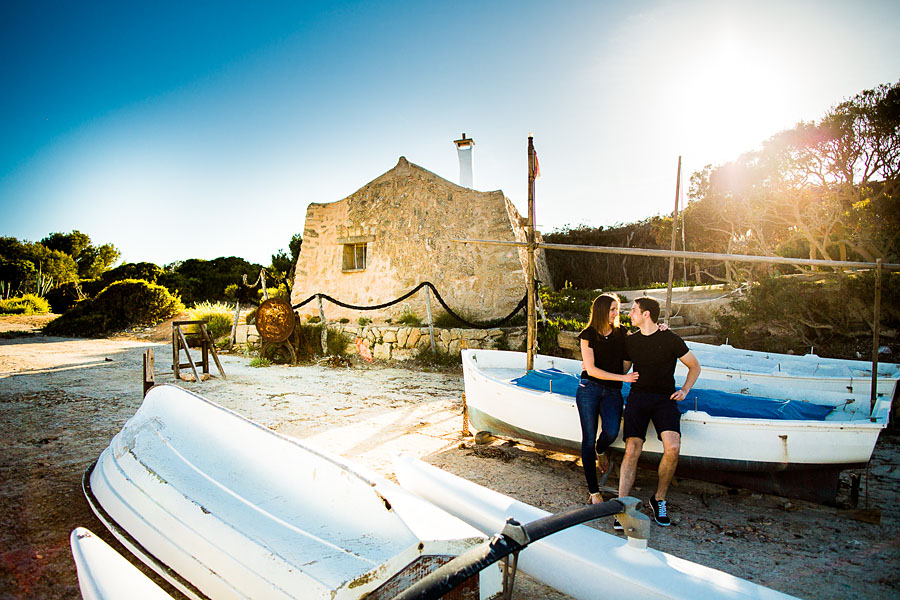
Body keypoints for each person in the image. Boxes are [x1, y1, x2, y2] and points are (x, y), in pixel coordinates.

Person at [616, 296, 700, 528]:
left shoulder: (670, 338)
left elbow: (694, 366)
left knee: (673, 447)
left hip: (664, 399)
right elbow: (621, 370)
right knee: (632, 447)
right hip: (638, 398)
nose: (630, 314)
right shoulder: (630, 341)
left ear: (646, 314)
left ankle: (659, 499)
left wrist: (684, 390)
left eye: (633, 310)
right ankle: (622, 504)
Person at [576, 293, 638, 504]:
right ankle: (594, 492)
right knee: (588, 438)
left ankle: (600, 450)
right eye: (612, 309)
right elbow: (591, 370)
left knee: (611, 431)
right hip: (589, 388)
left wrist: (662, 330)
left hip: (612, 391)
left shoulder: (622, 334)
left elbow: (627, 360)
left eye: (617, 309)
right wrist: (622, 377)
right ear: (602, 310)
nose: (616, 313)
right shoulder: (588, 335)